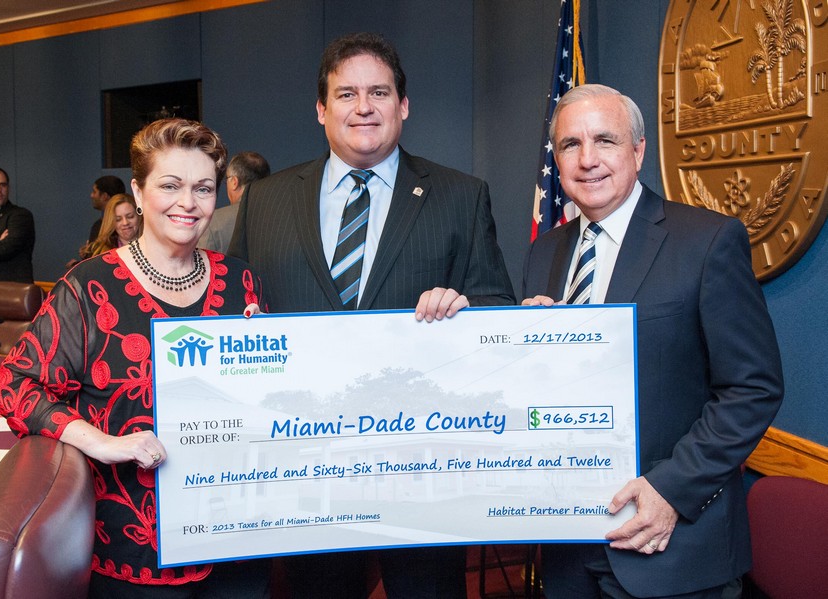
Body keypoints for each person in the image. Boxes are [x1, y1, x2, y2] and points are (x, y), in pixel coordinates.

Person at [230, 32, 514, 599]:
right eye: (346, 94)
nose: (364, 107)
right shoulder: (267, 201)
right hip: (301, 468)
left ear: (403, 107)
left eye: (379, 92)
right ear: (321, 109)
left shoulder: (461, 196)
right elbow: (236, 309)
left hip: (421, 473)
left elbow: (496, 313)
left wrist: (465, 312)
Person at [520, 84, 784, 598]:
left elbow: (753, 389)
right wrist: (527, 349)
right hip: (569, 548)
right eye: (570, 145)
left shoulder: (707, 241)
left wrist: (671, 491)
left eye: (605, 140)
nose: (588, 159)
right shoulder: (544, 252)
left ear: (638, 151)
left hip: (673, 549)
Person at [0, 118, 270, 598]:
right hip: (134, 550)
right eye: (170, 185)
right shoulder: (88, 286)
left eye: (203, 188)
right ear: (138, 193)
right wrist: (100, 442)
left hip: (234, 539)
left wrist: (271, 361)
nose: (188, 202)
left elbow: (266, 400)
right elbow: (15, 385)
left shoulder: (241, 281)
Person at [197, 151, 270, 253]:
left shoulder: (213, 223)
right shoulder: (280, 218)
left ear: (234, 182)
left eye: (227, 179)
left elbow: (202, 266)